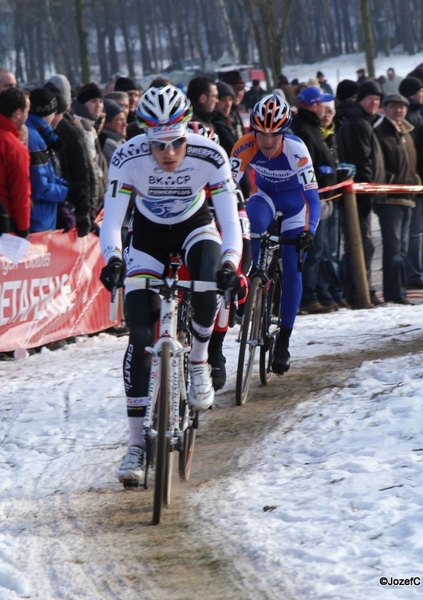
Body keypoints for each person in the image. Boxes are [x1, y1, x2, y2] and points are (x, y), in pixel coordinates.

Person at [99, 84, 242, 484]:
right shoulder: (127, 156)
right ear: (144, 136)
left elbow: (229, 221)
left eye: (176, 143)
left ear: (187, 133)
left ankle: (198, 360)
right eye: (158, 145)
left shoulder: (209, 154)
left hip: (195, 227)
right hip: (147, 235)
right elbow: (111, 222)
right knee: (140, 334)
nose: (167, 154)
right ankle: (135, 447)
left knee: (208, 280)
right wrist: (111, 260)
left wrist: (230, 264)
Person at [231, 94, 321, 375]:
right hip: (265, 198)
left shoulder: (297, 150)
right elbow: (226, 189)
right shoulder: (243, 146)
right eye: (261, 134)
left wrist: (310, 231)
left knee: (294, 270)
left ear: (284, 132)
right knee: (253, 227)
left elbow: (313, 199)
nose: (267, 142)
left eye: (274, 135)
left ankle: (283, 340)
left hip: (295, 206)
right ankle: (253, 288)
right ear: (253, 130)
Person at [337, 80, 386, 307]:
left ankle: (358, 291)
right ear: (360, 99)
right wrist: (366, 192)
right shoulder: (358, 123)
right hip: (358, 194)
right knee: (361, 244)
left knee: (361, 244)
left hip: (361, 193)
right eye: (371, 99)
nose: (375, 103)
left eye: (378, 99)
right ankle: (359, 292)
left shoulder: (362, 121)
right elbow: (362, 160)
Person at [291, 86, 340, 314]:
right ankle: (308, 298)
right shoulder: (303, 129)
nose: (326, 108)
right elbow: (304, 167)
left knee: (323, 251)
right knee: (314, 250)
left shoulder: (312, 127)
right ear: (313, 105)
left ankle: (321, 294)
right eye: (322, 103)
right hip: (312, 199)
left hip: (323, 196)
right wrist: (322, 175)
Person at [374, 94, 420, 304]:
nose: (398, 111)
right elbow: (379, 164)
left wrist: (415, 180)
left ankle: (400, 291)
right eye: (394, 107)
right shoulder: (380, 132)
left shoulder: (407, 132)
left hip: (407, 196)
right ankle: (394, 293)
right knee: (393, 249)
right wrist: (385, 186)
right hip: (390, 199)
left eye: (402, 107)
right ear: (386, 108)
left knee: (402, 248)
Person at [45, 74, 95, 237]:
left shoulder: (69, 131)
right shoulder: (49, 132)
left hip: (67, 206)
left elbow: (85, 170)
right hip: (59, 209)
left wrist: (84, 212)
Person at [399, 76, 423, 289]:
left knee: (417, 232)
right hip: (414, 181)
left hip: (419, 180)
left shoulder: (419, 112)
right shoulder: (414, 115)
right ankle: (414, 273)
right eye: (419, 90)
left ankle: (419, 270)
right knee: (412, 233)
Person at [26, 88, 69, 232]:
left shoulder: (40, 134)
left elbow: (47, 176)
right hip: (37, 221)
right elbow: (40, 188)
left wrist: (66, 185)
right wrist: (68, 192)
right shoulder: (34, 139)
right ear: (49, 112)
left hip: (43, 217)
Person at [73, 82, 108, 224]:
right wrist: (92, 206)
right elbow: (91, 168)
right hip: (89, 205)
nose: (98, 105)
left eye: (101, 101)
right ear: (82, 104)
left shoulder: (91, 126)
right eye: (93, 101)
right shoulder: (82, 125)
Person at [0, 87, 31, 237]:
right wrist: (24, 229)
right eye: (27, 112)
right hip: (6, 222)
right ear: (18, 113)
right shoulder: (14, 147)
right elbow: (20, 192)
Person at [99, 99, 127, 163]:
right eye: (120, 120)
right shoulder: (107, 144)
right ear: (106, 123)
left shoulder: (120, 140)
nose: (125, 124)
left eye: (125, 120)